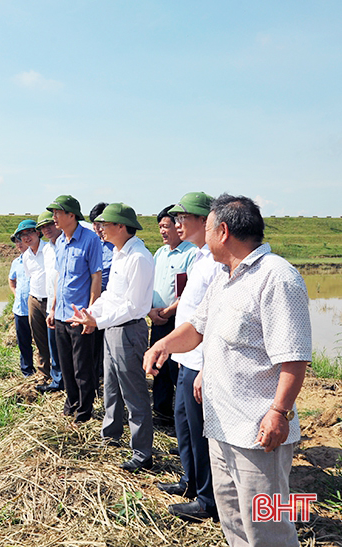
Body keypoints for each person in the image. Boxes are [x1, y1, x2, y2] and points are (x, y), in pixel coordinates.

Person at [144, 194, 311, 546]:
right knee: (233, 517)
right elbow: (198, 330)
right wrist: (162, 345)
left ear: (222, 231)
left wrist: (279, 411)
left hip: (257, 432)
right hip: (220, 426)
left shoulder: (277, 278)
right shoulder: (223, 276)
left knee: (268, 525)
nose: (201, 237)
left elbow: (294, 357)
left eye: (205, 229)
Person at [68, 203, 154, 471]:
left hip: (129, 330)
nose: (100, 229)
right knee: (112, 387)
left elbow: (132, 305)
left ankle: (142, 454)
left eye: (105, 224)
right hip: (113, 328)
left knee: (134, 393)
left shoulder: (138, 257)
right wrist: (90, 314)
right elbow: (111, 296)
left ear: (121, 226)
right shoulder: (119, 253)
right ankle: (110, 435)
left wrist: (99, 321)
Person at [153, 192, 220, 522]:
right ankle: (189, 482)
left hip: (200, 362)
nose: (177, 223)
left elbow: (214, 320)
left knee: (200, 432)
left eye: (182, 218)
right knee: (183, 425)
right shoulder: (201, 258)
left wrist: (207, 365)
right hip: (186, 359)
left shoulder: (215, 262)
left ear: (203, 220)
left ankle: (208, 501)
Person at [45, 195, 102, 422]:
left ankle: (85, 410)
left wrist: (90, 313)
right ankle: (71, 402)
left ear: (71, 215)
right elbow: (59, 278)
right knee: (66, 364)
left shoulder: (90, 240)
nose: (54, 218)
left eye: (58, 213)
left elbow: (95, 277)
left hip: (79, 316)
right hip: (60, 316)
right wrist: (52, 309)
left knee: (82, 366)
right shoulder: (60, 242)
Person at [149, 205, 197, 427]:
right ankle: (161, 411)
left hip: (178, 323)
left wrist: (169, 311)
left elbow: (187, 293)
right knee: (158, 368)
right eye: (160, 227)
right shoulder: (160, 253)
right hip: (157, 319)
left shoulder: (191, 253)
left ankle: (182, 414)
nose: (162, 231)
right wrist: (151, 310)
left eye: (166, 226)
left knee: (175, 369)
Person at [16, 219, 55, 381]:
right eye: (22, 235)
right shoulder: (26, 256)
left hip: (50, 300)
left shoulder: (49, 250)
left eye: (30, 233)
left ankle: (59, 373)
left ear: (38, 233)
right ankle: (44, 373)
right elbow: (31, 277)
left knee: (54, 338)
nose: (26, 237)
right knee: (39, 339)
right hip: (34, 300)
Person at [36, 211, 64, 393]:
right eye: (42, 227)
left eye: (49, 225)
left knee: (66, 346)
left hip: (67, 304)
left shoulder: (65, 245)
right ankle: (57, 380)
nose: (46, 229)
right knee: (53, 344)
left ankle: (69, 381)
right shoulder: (46, 250)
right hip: (50, 304)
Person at [89, 202, 114, 384]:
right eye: (94, 224)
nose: (97, 228)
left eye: (100, 224)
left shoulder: (117, 245)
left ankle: (109, 373)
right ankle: (97, 373)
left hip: (112, 299)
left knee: (110, 338)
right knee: (95, 338)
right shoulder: (92, 243)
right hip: (94, 297)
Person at [9, 231, 34, 377]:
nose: (18, 244)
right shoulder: (15, 262)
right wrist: (15, 293)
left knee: (42, 341)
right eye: (16, 241)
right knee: (23, 342)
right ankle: (27, 370)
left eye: (20, 240)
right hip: (20, 309)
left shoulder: (36, 258)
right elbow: (11, 280)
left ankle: (47, 369)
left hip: (36, 308)